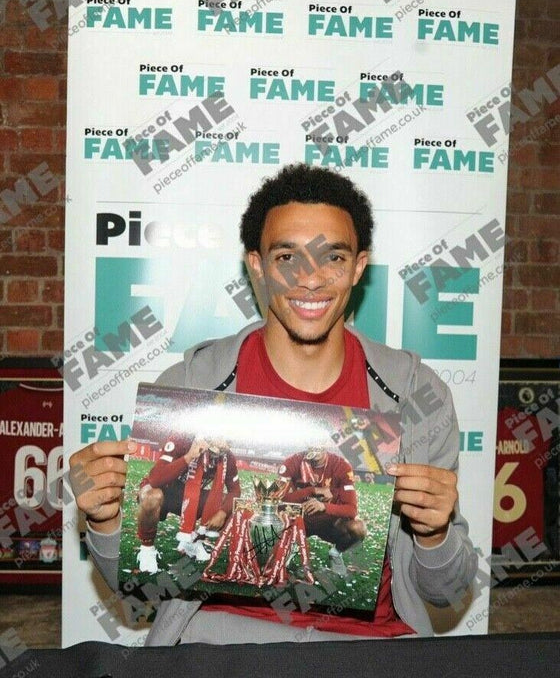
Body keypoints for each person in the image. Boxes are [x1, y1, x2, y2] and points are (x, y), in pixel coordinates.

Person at [70, 163, 477, 643]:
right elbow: (140, 585)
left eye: (333, 258)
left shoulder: (415, 395)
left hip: (374, 649)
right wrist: (106, 519)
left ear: (359, 268)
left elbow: (447, 591)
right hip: (221, 642)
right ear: (257, 265)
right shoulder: (191, 388)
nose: (310, 280)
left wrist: (434, 535)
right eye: (287, 257)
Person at [136, 436, 241, 572]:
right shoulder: (183, 439)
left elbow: (235, 490)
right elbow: (155, 479)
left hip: (190, 497)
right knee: (151, 496)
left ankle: (193, 542)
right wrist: (189, 456)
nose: (224, 444)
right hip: (166, 491)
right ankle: (146, 549)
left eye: (229, 441)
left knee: (227, 503)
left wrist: (222, 512)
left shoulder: (227, 457)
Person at [278, 446, 366, 577]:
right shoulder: (293, 462)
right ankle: (291, 544)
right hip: (299, 520)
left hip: (329, 523)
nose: (315, 447)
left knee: (358, 528)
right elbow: (280, 499)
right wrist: (312, 490)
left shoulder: (341, 465)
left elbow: (351, 510)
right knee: (274, 524)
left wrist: (324, 507)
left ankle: (335, 553)